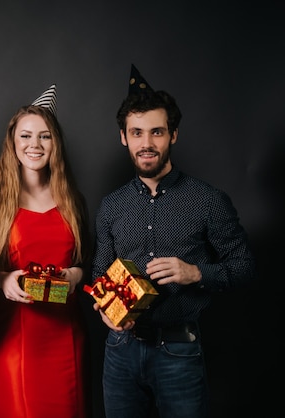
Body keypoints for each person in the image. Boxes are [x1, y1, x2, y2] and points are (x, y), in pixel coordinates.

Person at [91, 64, 256, 418]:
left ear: (173, 135)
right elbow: (99, 273)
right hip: (119, 350)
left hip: (179, 350)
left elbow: (245, 267)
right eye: (136, 133)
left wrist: (195, 273)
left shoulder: (208, 200)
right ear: (124, 137)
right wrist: (106, 309)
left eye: (157, 132)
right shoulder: (111, 206)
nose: (146, 143)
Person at [0, 85, 92, 418]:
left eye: (44, 136)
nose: (34, 145)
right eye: (25, 136)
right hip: (16, 337)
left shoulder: (73, 201)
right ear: (12, 143)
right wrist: (4, 279)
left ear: (56, 144)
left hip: (67, 334)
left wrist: (75, 275)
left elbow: (85, 263)